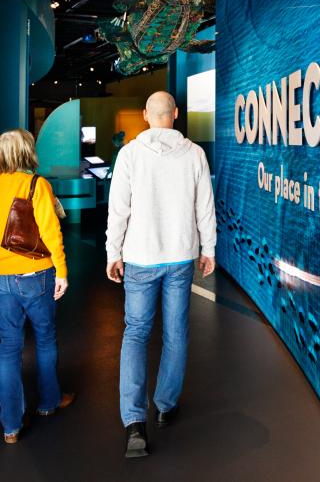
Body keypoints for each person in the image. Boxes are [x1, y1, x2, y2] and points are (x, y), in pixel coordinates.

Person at [106, 91, 216, 458]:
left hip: (139, 257)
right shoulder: (195, 155)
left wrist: (113, 252)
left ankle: (134, 423)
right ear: (176, 115)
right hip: (180, 257)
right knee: (176, 332)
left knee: (135, 334)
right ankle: (166, 406)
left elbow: (118, 209)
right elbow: (206, 207)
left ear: (145, 115)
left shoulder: (130, 155)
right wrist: (209, 249)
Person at [0, 129, 75, 444]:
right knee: (45, 339)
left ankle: (10, 426)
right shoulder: (37, 184)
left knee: (8, 348)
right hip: (36, 275)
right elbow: (51, 233)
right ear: (27, 152)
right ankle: (49, 402)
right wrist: (61, 271)